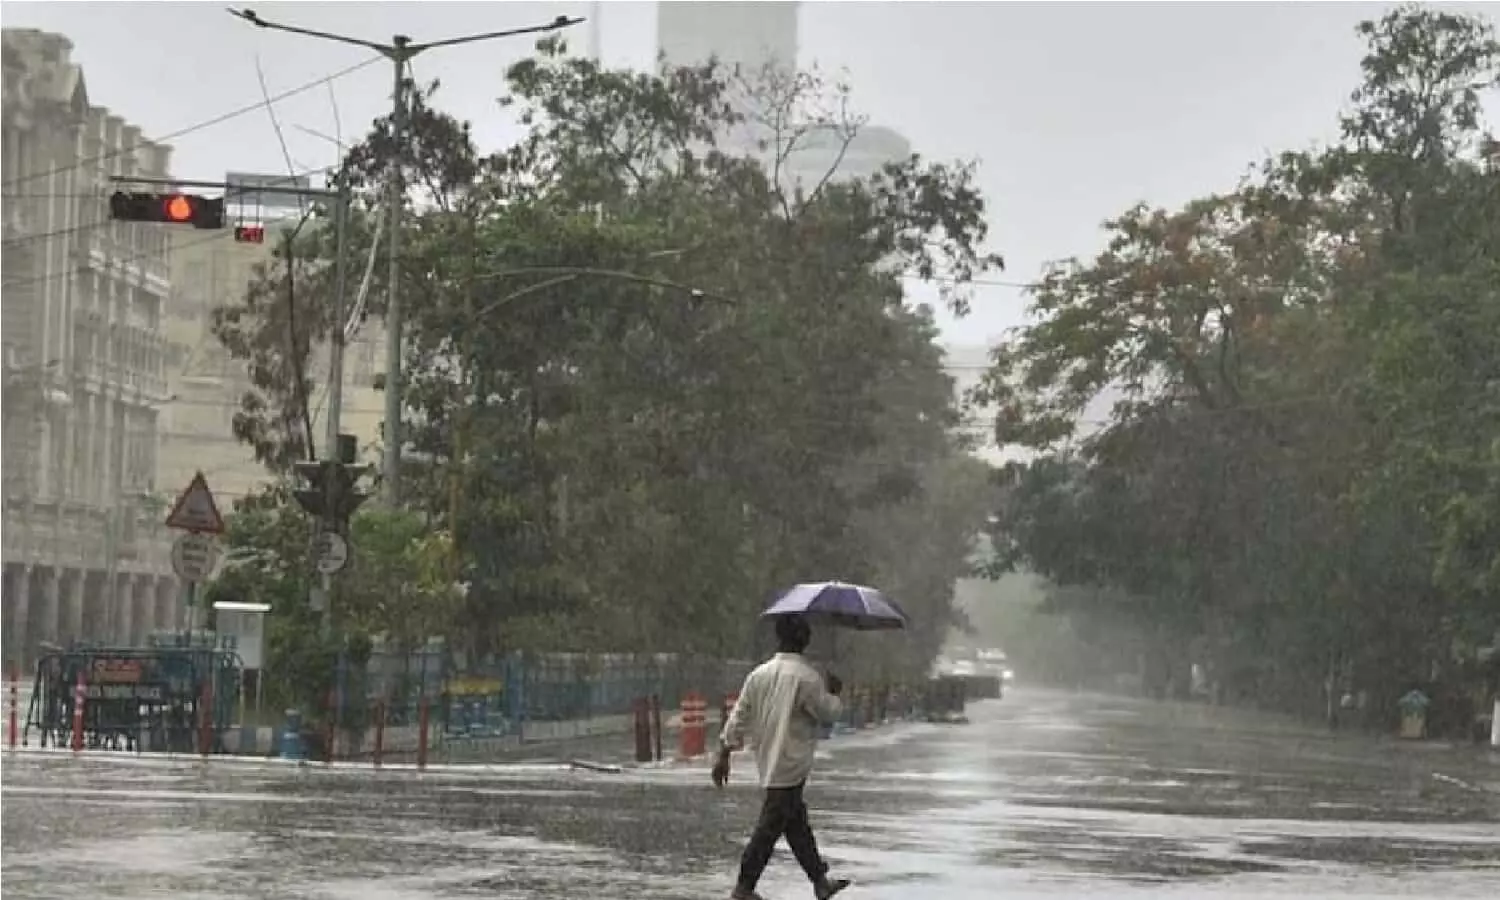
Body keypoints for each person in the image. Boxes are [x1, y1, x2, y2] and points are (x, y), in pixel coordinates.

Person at [712, 614, 850, 900]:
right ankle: (744, 887)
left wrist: (724, 752)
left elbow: (739, 714)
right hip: (792, 762)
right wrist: (835, 693)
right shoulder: (807, 678)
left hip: (766, 756)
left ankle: (819, 881)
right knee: (770, 826)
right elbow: (828, 713)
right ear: (806, 640)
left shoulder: (758, 675)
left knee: (795, 822)